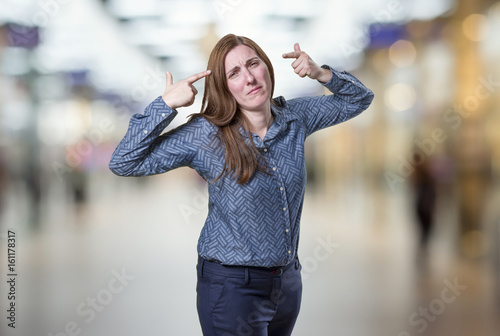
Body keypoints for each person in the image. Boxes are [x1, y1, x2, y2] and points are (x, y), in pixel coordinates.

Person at [109, 34, 374, 336]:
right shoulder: (205, 135)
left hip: (286, 285)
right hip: (232, 288)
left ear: (267, 67)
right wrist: (165, 104)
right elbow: (123, 161)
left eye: (253, 64)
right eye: (234, 73)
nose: (249, 78)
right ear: (224, 88)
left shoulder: (295, 118)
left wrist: (321, 74)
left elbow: (360, 98)